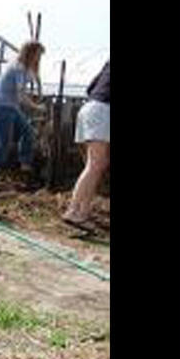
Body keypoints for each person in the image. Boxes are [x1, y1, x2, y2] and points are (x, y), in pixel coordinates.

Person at [0, 41, 47, 188]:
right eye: (38, 55)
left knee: (28, 132)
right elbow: (21, 96)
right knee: (4, 143)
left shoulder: (26, 69)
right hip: (2, 107)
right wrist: (37, 107)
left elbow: (36, 77)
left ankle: (25, 166)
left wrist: (39, 89)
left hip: (11, 107)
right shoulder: (18, 68)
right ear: (30, 53)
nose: (38, 58)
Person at [62, 60, 110, 232]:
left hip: (89, 108)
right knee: (95, 165)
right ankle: (73, 211)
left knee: (97, 165)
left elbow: (90, 88)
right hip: (102, 110)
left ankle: (83, 213)